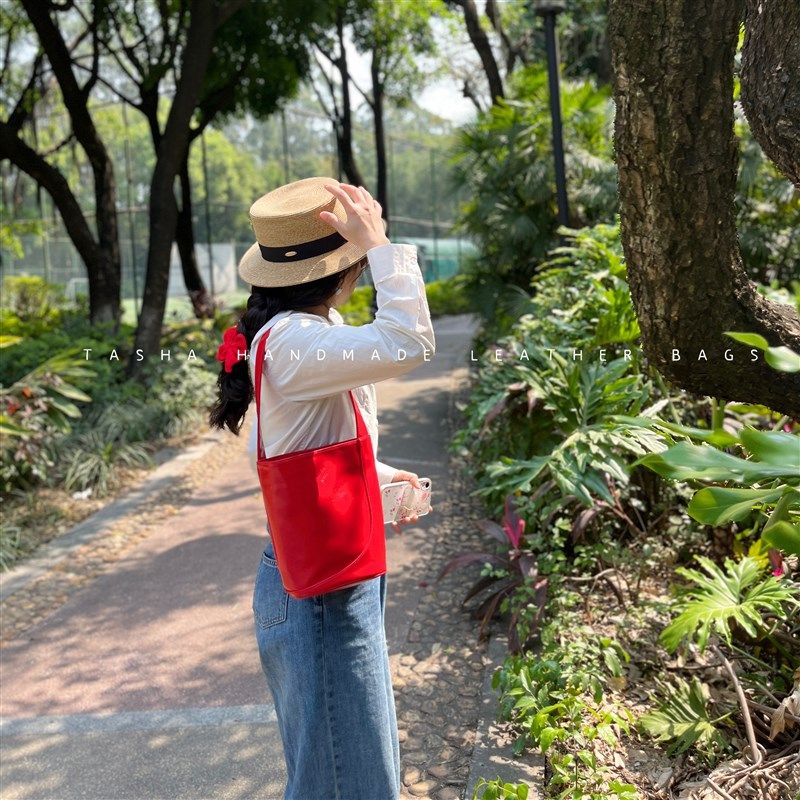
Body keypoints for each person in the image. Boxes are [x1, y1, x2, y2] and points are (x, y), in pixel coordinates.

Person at [209, 176, 436, 800]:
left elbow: (311, 449)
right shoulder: (297, 342)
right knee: (350, 783)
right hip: (322, 593)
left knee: (346, 776)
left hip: (327, 575)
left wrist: (382, 479)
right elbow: (409, 342)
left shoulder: (306, 329)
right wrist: (382, 242)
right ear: (345, 270)